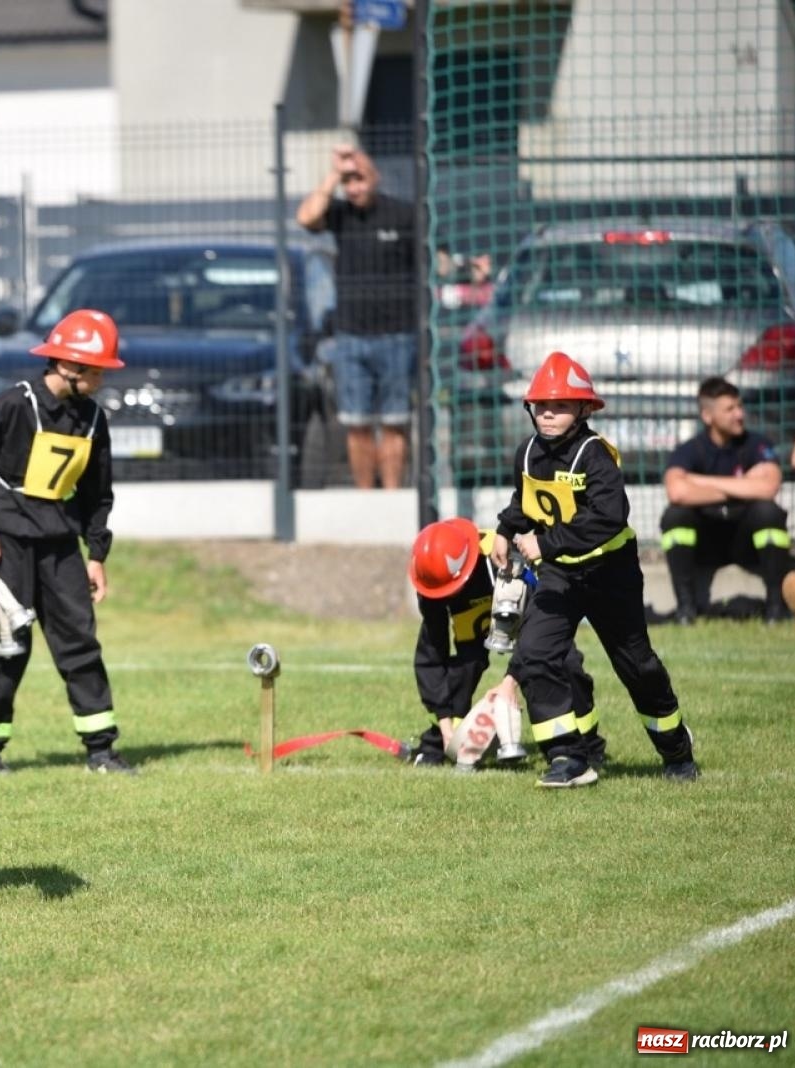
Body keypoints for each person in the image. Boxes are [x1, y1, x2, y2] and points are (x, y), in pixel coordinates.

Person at [490, 351, 697, 787]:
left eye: (561, 405)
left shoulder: (594, 455)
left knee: (638, 667)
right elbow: (526, 502)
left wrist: (545, 543)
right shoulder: (527, 453)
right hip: (559, 575)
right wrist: (505, 531)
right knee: (536, 654)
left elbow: (609, 518)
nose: (548, 414)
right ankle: (568, 758)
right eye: (541, 406)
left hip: (609, 574)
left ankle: (677, 750)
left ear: (584, 409)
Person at [0, 308, 132, 775]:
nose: (102, 380)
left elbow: (97, 493)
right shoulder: (11, 405)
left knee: (80, 647)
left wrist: (96, 555)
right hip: (6, 547)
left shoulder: (92, 419)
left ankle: (101, 751)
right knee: (7, 646)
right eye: (97, 371)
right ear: (68, 366)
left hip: (62, 549)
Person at [408, 517, 604, 769]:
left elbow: (538, 632)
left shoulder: (505, 555)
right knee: (465, 668)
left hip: (523, 608)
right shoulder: (432, 580)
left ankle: (588, 745)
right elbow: (431, 656)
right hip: (472, 619)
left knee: (565, 663)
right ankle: (439, 742)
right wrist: (446, 724)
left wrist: (509, 681)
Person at [296, 143, 418, 489]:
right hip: (351, 336)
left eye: (359, 179)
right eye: (347, 181)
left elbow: (433, 259)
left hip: (397, 335)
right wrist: (333, 175)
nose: (354, 188)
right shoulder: (340, 214)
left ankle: (392, 495)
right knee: (357, 423)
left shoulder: (403, 214)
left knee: (394, 422)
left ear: (375, 177)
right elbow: (306, 218)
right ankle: (366, 497)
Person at [660, 377, 795, 624]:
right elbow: (677, 492)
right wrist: (743, 485)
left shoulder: (757, 444)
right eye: (730, 409)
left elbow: (768, 487)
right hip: (706, 543)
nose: (739, 414)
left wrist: (700, 482)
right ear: (708, 416)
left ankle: (776, 609)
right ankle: (686, 610)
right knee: (675, 516)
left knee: (768, 512)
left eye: (740, 406)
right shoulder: (689, 450)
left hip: (746, 542)